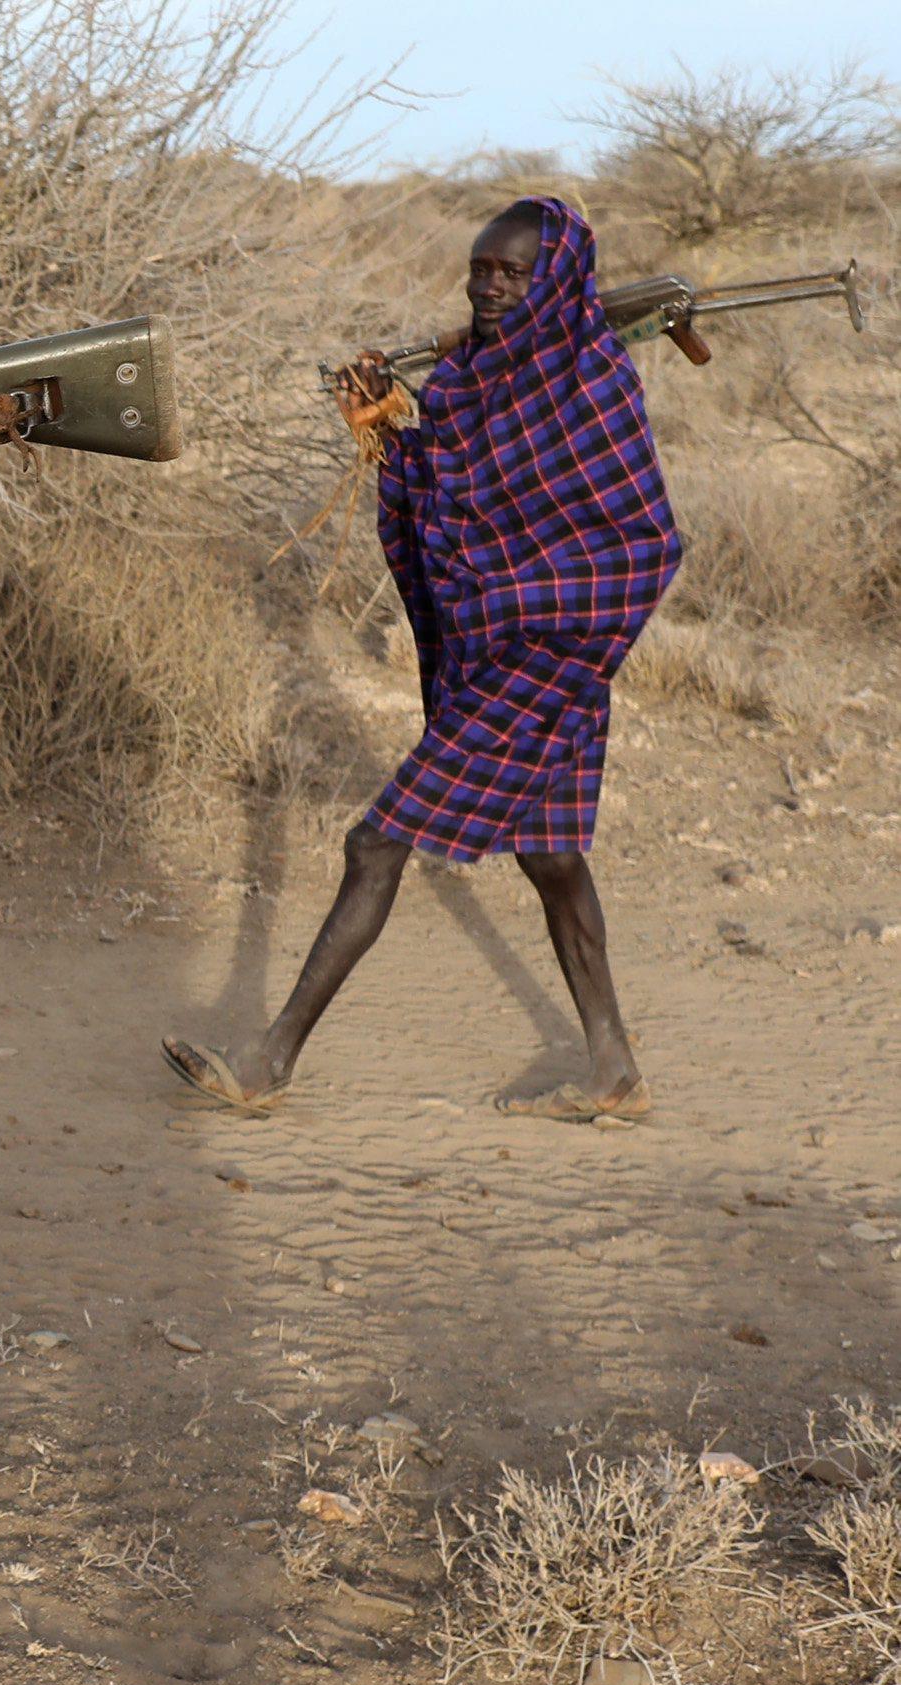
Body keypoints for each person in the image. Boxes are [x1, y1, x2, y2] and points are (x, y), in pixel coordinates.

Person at [165, 195, 677, 1120]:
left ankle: (268, 1060)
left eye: (511, 274)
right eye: (480, 270)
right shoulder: (471, 378)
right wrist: (385, 427)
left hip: (551, 655)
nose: (489, 287)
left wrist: (537, 610)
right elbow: (446, 496)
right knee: (552, 859)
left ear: (552, 279)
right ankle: (614, 1069)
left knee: (375, 842)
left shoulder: (592, 379)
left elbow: (643, 539)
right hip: (496, 655)